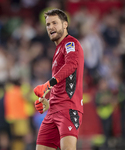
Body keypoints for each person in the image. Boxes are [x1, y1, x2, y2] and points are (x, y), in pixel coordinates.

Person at [33, 9, 84, 150]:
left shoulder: (70, 43)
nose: (50, 27)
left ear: (65, 25)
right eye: (48, 24)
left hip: (68, 109)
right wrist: (48, 102)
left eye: (55, 23)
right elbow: (63, 84)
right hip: (53, 112)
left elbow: (71, 65)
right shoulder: (58, 50)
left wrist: (48, 85)